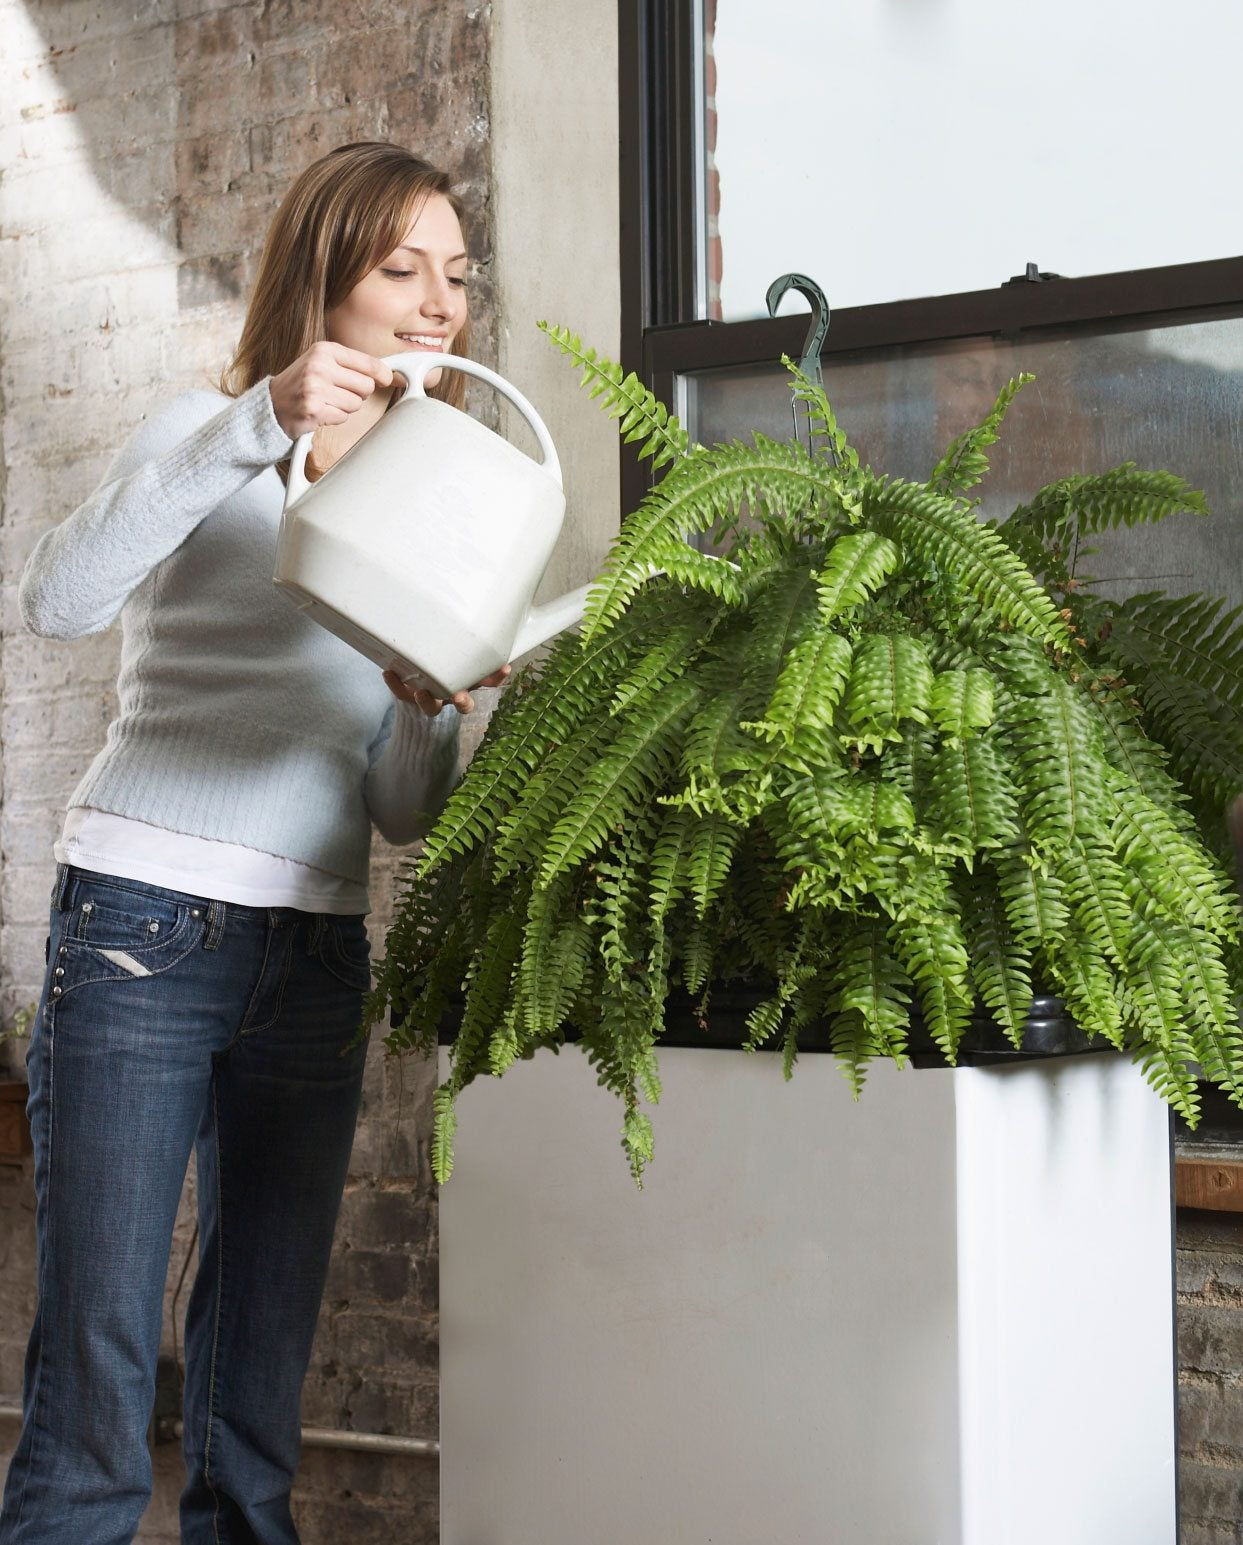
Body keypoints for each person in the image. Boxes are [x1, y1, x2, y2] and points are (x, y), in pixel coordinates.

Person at [0, 141, 504, 1545]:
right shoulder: (201, 427)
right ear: (322, 274)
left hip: (316, 946)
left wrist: (421, 714)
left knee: (259, 1368)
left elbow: (402, 812)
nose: (435, 302)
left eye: (455, 277)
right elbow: (58, 599)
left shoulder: (449, 495)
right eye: (400, 268)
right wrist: (254, 426)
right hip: (141, 926)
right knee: (99, 1361)